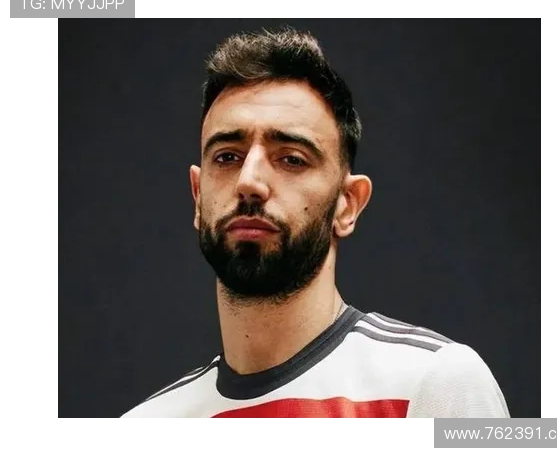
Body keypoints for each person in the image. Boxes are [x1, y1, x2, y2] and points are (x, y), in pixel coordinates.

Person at [122, 26, 510, 418]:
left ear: (348, 204)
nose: (249, 181)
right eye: (227, 157)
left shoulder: (438, 383)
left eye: (291, 158)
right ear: (197, 196)